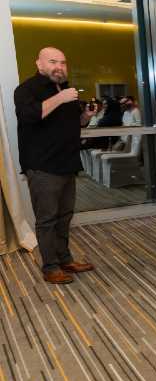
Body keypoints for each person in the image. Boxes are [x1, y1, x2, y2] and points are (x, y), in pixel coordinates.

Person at [14, 47, 98, 284]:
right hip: (43, 167)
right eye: (53, 62)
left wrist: (86, 117)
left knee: (64, 217)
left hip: (67, 164)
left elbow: (71, 125)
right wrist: (61, 98)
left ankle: (65, 259)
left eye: (63, 62)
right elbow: (29, 116)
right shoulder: (26, 89)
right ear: (39, 64)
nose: (59, 67)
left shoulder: (65, 90)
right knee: (47, 220)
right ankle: (50, 267)